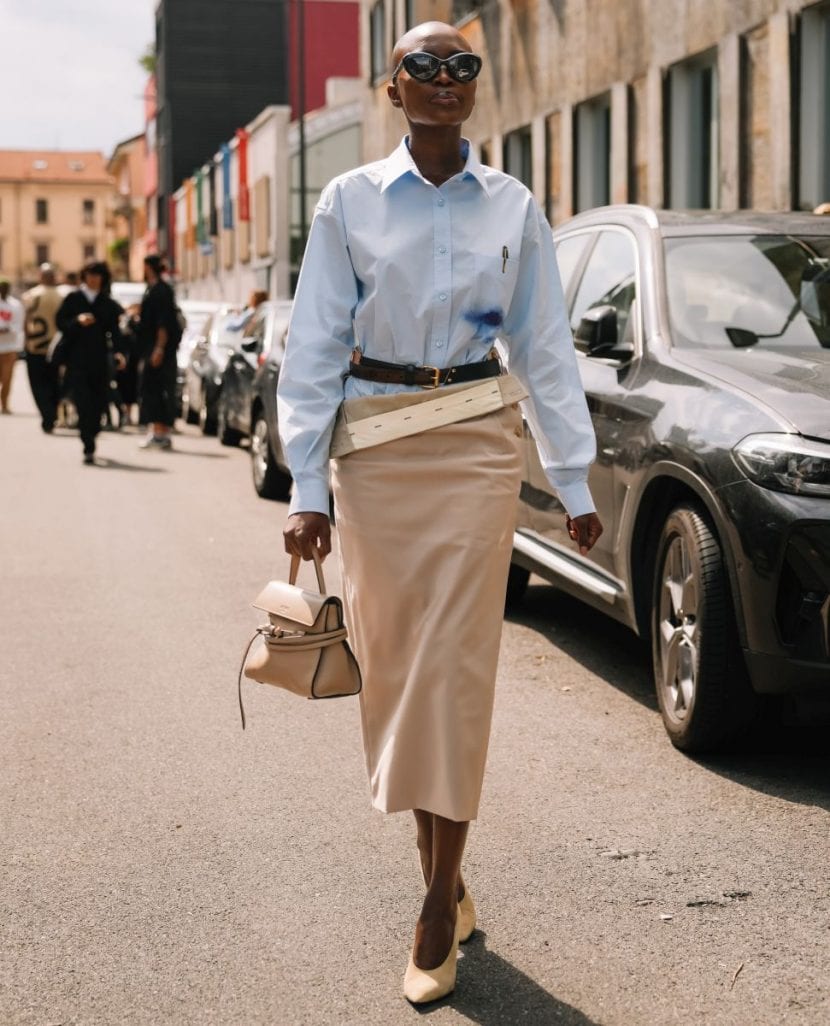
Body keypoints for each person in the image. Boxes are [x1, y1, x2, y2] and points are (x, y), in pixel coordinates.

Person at [276, 21, 603, 1006]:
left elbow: (542, 342)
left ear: (474, 87)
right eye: (423, 66)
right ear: (392, 88)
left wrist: (572, 478)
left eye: (461, 66)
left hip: (471, 447)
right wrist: (303, 488)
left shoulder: (512, 204)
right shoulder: (348, 202)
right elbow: (311, 346)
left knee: (453, 671)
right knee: (399, 675)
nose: (445, 80)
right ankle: (449, 876)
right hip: (374, 457)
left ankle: (430, 905)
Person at [55, 261, 126, 464]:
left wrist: (120, 353)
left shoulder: (106, 303)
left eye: (98, 275)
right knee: (83, 402)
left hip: (100, 361)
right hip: (77, 361)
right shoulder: (73, 299)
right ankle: (88, 444)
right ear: (84, 276)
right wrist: (77, 321)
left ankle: (92, 432)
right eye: (90, 275)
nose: (94, 279)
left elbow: (115, 331)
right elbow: (60, 323)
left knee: (99, 402)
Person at [137, 255, 181, 449]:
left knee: (156, 389)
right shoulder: (156, 289)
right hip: (154, 348)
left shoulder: (160, 291)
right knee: (153, 388)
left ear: (148, 267)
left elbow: (163, 323)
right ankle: (158, 431)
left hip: (158, 351)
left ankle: (160, 433)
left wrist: (159, 349)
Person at [22, 263, 63, 432]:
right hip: (56, 348)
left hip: (35, 348)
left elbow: (25, 322)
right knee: (54, 383)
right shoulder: (61, 296)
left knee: (38, 384)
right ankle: (52, 413)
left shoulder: (30, 295)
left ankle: (48, 415)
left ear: (40, 276)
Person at [0, 278, 25, 414]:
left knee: (7, 378)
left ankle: (4, 404)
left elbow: (18, 324)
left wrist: (7, 329)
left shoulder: (16, 305)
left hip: (9, 347)